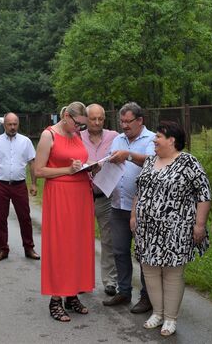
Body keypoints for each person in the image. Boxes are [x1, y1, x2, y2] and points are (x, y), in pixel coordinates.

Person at [131, 121, 211, 337]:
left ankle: (170, 318)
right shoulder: (150, 162)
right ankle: (157, 313)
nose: (154, 140)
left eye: (158, 136)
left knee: (172, 273)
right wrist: (133, 214)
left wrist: (200, 224)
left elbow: (204, 194)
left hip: (176, 230)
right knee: (150, 271)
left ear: (171, 140)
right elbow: (140, 190)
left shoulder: (188, 162)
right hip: (147, 230)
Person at [34, 102, 95, 322]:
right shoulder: (48, 135)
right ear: (67, 116)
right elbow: (38, 170)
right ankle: (55, 299)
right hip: (60, 195)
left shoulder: (76, 134)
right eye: (78, 123)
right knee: (60, 246)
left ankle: (72, 294)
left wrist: (90, 166)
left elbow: (78, 160)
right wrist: (68, 170)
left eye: (83, 126)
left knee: (77, 245)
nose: (80, 129)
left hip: (81, 194)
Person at [102, 102, 155, 314]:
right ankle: (124, 291)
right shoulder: (117, 139)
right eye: (121, 121)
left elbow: (154, 162)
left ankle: (147, 296)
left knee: (143, 254)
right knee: (120, 251)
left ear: (140, 121)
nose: (124, 125)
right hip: (117, 205)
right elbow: (108, 160)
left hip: (142, 207)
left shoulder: (151, 139)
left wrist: (129, 155)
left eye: (128, 121)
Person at [0, 112, 39, 262]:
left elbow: (32, 163)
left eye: (15, 124)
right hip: (1, 185)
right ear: (4, 125)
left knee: (25, 217)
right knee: (1, 219)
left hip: (19, 185)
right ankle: (3, 249)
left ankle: (29, 247)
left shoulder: (25, 141)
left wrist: (33, 183)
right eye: (10, 124)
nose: (13, 127)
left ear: (18, 124)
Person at [80, 103, 119, 297]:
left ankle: (110, 281)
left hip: (105, 195)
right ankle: (81, 280)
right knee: (82, 239)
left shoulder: (114, 137)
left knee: (108, 239)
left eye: (100, 119)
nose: (96, 123)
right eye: (93, 119)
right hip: (82, 196)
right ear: (86, 119)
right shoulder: (77, 138)